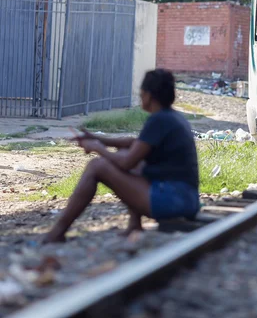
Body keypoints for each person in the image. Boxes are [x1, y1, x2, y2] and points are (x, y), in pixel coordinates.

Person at [43, 69, 200, 243]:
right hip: (186, 199)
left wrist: (97, 148)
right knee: (126, 156)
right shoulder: (172, 117)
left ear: (148, 95)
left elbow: (126, 163)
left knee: (97, 166)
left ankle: (57, 232)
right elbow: (134, 144)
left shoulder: (159, 120)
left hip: (172, 200)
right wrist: (98, 138)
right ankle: (134, 225)